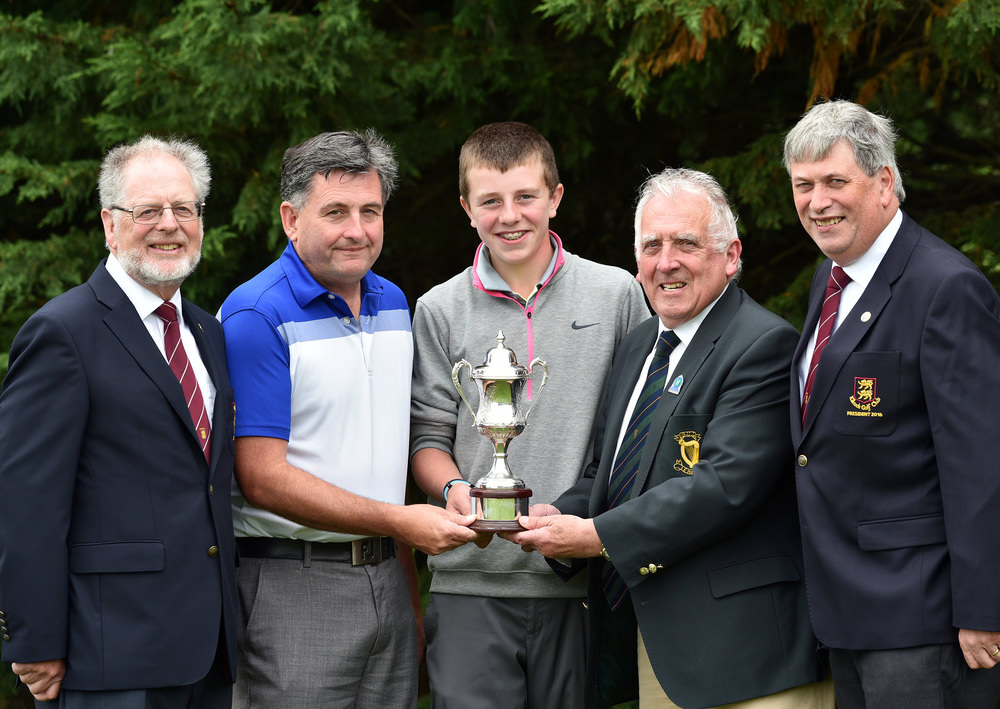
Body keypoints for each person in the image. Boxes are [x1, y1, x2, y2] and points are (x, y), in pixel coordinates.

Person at [505, 167, 833, 708]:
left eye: (686, 242)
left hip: (751, 659)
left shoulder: (763, 344)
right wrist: (557, 515)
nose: (666, 261)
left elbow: (724, 487)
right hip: (661, 651)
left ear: (730, 256)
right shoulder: (639, 347)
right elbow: (612, 473)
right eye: (651, 245)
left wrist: (597, 536)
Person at [219, 129, 477, 708]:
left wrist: (406, 594)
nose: (356, 230)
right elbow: (260, 476)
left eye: (371, 210)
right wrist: (399, 520)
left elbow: (384, 461)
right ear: (290, 218)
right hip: (293, 588)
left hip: (386, 577)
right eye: (335, 212)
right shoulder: (255, 316)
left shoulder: (393, 303)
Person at [408, 121, 650, 707]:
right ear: (467, 208)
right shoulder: (438, 308)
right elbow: (426, 438)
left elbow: (640, 435)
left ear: (555, 198)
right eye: (490, 201)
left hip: (577, 576)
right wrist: (456, 489)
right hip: (470, 580)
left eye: (525, 197)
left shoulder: (615, 293)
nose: (509, 216)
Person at [0, 136, 237, 706]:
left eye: (184, 209)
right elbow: (25, 499)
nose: (169, 224)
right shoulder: (63, 332)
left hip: (206, 648)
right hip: (108, 652)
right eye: (148, 210)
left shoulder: (207, 332)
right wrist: (34, 639)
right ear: (110, 224)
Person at [784, 99, 1000, 707]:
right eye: (803, 185)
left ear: (883, 183)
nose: (817, 201)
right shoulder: (828, 284)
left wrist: (985, 606)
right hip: (846, 613)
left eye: (834, 181)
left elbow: (980, 464)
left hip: (922, 620)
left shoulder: (945, 287)